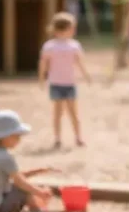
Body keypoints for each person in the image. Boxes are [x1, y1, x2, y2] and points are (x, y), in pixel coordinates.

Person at [0, 109, 59, 212]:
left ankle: (34, 208)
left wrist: (40, 170)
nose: (19, 139)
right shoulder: (5, 157)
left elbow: (15, 175)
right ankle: (36, 211)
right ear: (6, 136)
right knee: (22, 189)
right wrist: (41, 193)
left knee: (17, 187)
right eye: (17, 136)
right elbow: (20, 182)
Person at [39, 12, 92, 148]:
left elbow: (80, 62)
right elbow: (43, 64)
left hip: (70, 84)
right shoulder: (49, 46)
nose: (74, 30)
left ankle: (78, 137)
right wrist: (41, 79)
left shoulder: (74, 46)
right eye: (72, 27)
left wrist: (86, 76)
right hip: (56, 84)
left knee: (73, 113)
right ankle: (57, 138)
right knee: (58, 113)